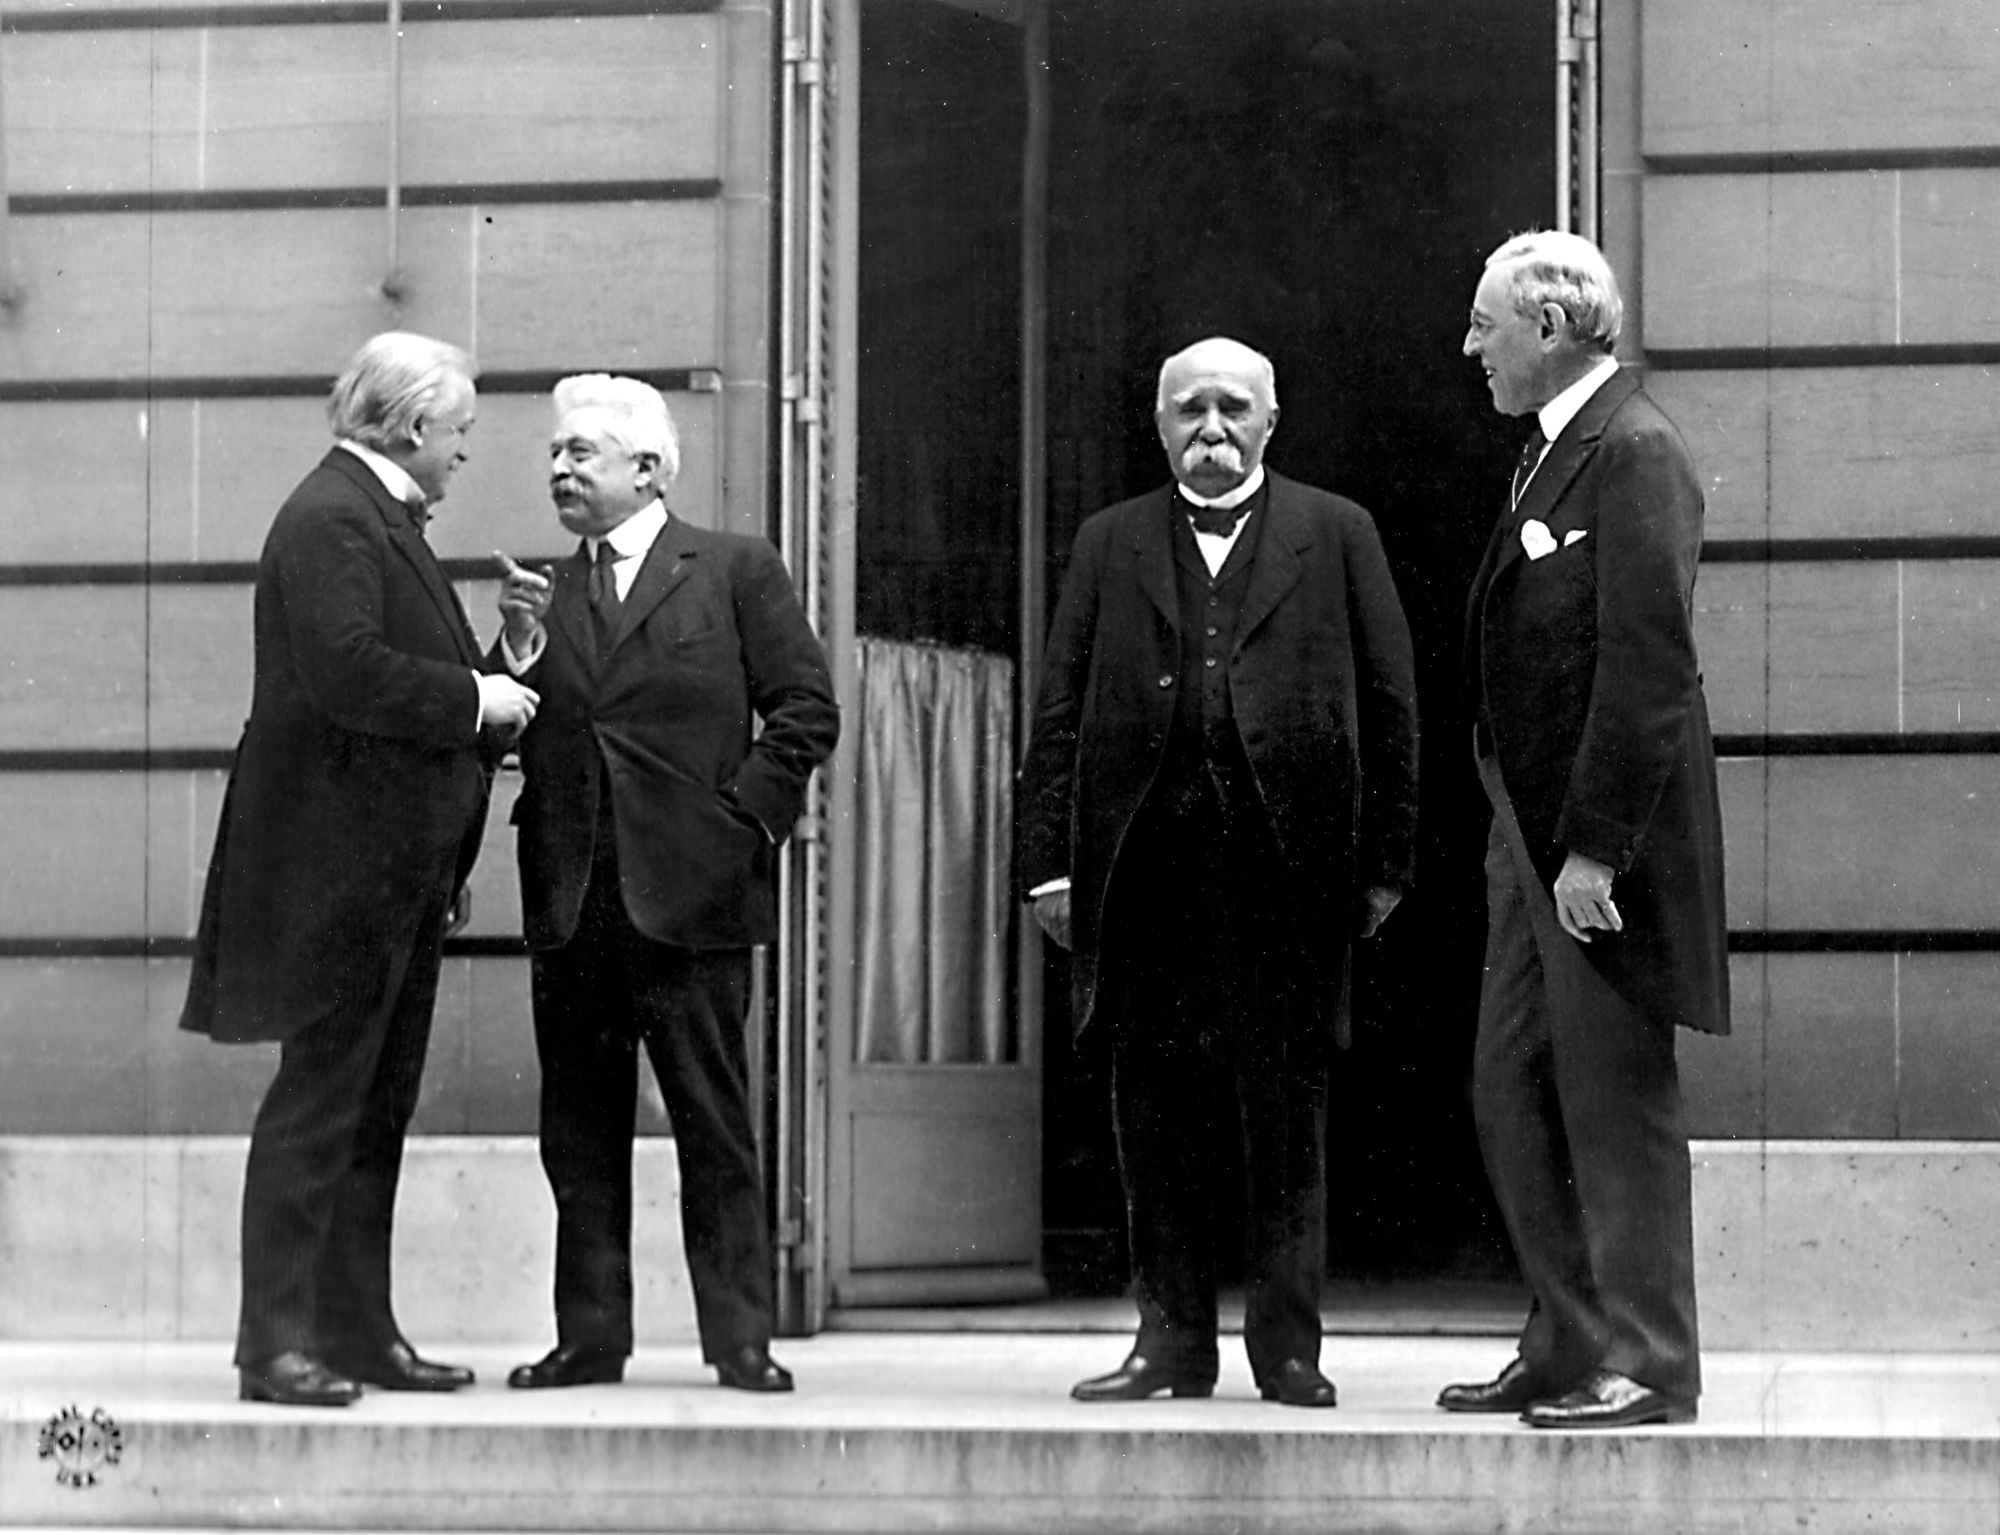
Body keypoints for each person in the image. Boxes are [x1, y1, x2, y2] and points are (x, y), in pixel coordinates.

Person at [1016, 336, 1419, 1408]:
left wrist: (1380, 861)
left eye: (1232, 408)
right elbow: (1055, 711)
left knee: (1282, 1121)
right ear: (1158, 426)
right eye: (1188, 409)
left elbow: (1391, 705)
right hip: (1140, 879)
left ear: (1269, 421)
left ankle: (1286, 1349)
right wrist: (1047, 867)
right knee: (1151, 1116)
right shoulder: (1108, 541)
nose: (1210, 428)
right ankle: (1170, 1342)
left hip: (1283, 878)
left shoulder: (1336, 533)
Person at [181, 332, 541, 1407]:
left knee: (368, 1109)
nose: (466, 453)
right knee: (322, 1103)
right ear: (415, 425)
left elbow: (388, 681)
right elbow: (348, 673)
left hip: (382, 873)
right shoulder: (338, 514)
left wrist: (501, 659)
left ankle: (351, 1330)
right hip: (341, 874)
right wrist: (481, 700)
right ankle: (276, 1346)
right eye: (462, 432)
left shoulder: (361, 514)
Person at [493, 374, 838, 1394]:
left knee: (712, 1124)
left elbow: (804, 708)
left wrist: (739, 825)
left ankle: (739, 1339)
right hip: (573, 901)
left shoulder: (732, 568)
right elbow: (507, 720)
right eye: (554, 453)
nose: (557, 468)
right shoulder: (542, 593)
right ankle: (589, 1338)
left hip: (690, 902)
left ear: (646, 468)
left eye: (579, 453)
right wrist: (515, 650)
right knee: (578, 1135)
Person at [1441, 230, 1729, 1429]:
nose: (1470, 348)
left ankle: (1648, 1360)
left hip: (1594, 852)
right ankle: (1565, 1338)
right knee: (1507, 1088)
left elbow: (1647, 664)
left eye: (1483, 324)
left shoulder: (1632, 449)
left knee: (1613, 1100)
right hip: (1532, 836)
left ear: (1549, 328)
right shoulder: (1549, 456)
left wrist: (1594, 849)